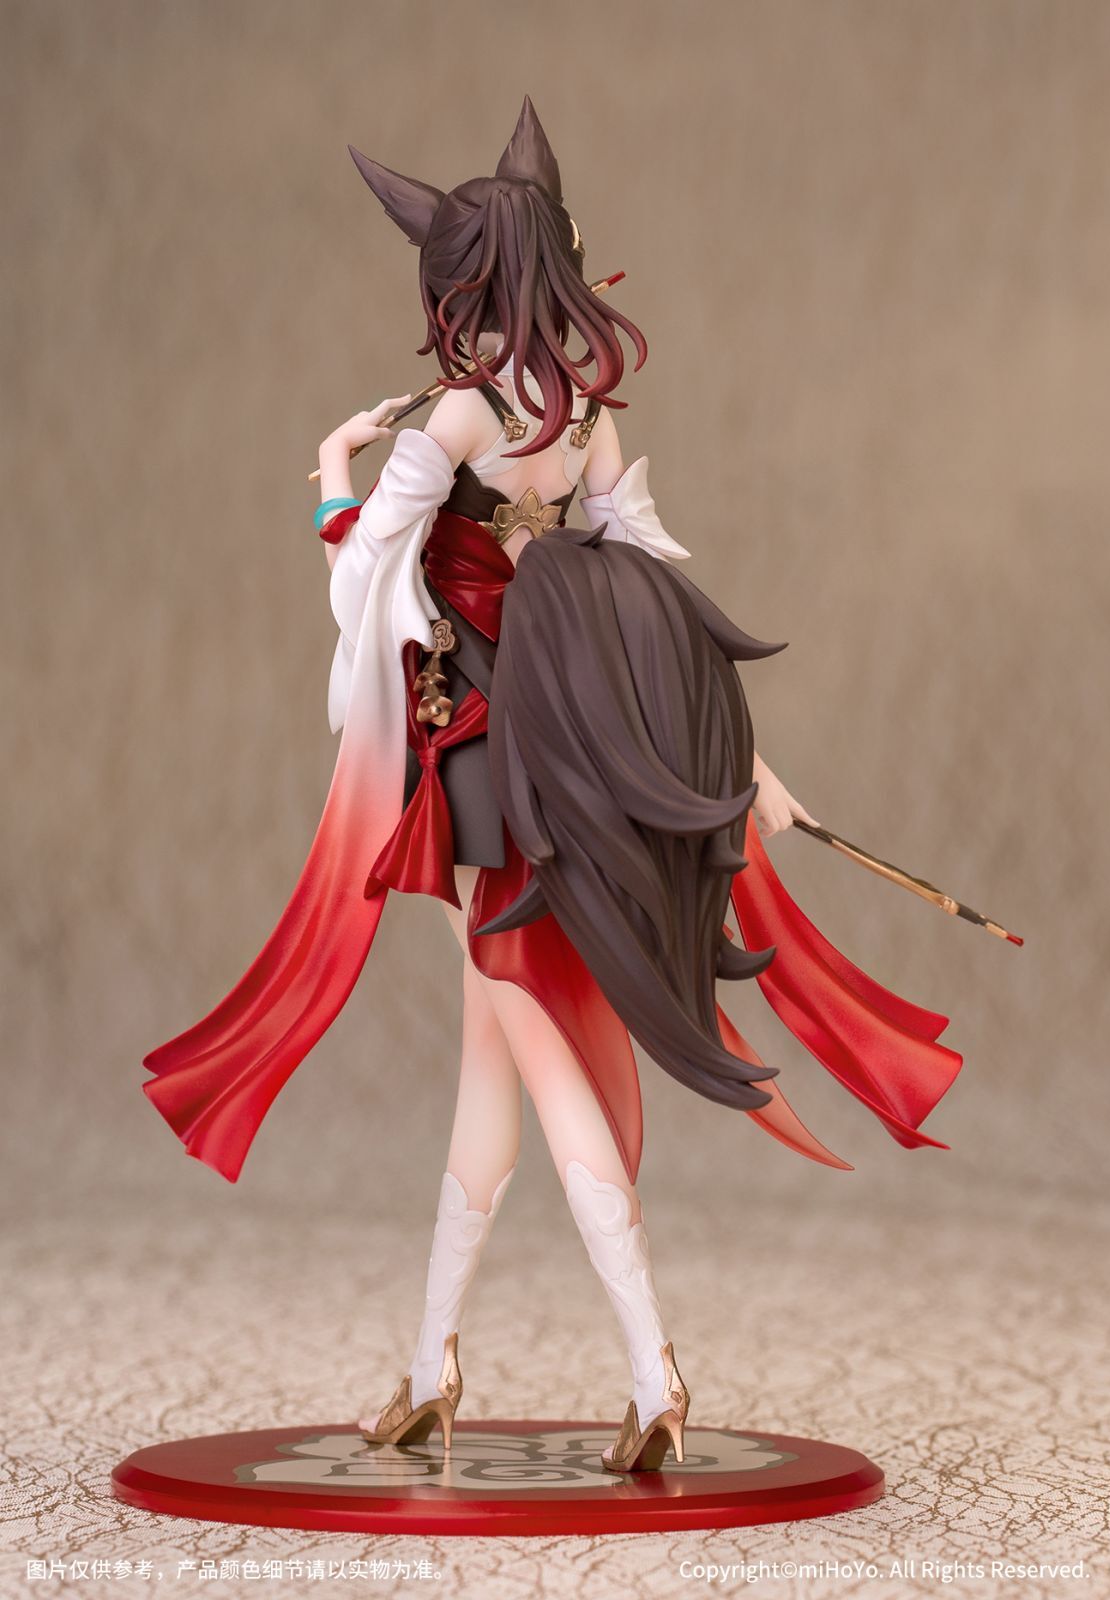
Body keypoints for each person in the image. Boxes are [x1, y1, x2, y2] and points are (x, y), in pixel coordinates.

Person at [142, 97, 963, 1475]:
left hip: (485, 766)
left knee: (538, 1055)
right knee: (490, 1068)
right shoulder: (580, 423)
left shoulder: (461, 414)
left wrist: (332, 471)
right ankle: (429, 1372)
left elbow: (362, 575)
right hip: (564, 749)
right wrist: (745, 765)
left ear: (467, 286)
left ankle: (653, 1371)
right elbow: (656, 605)